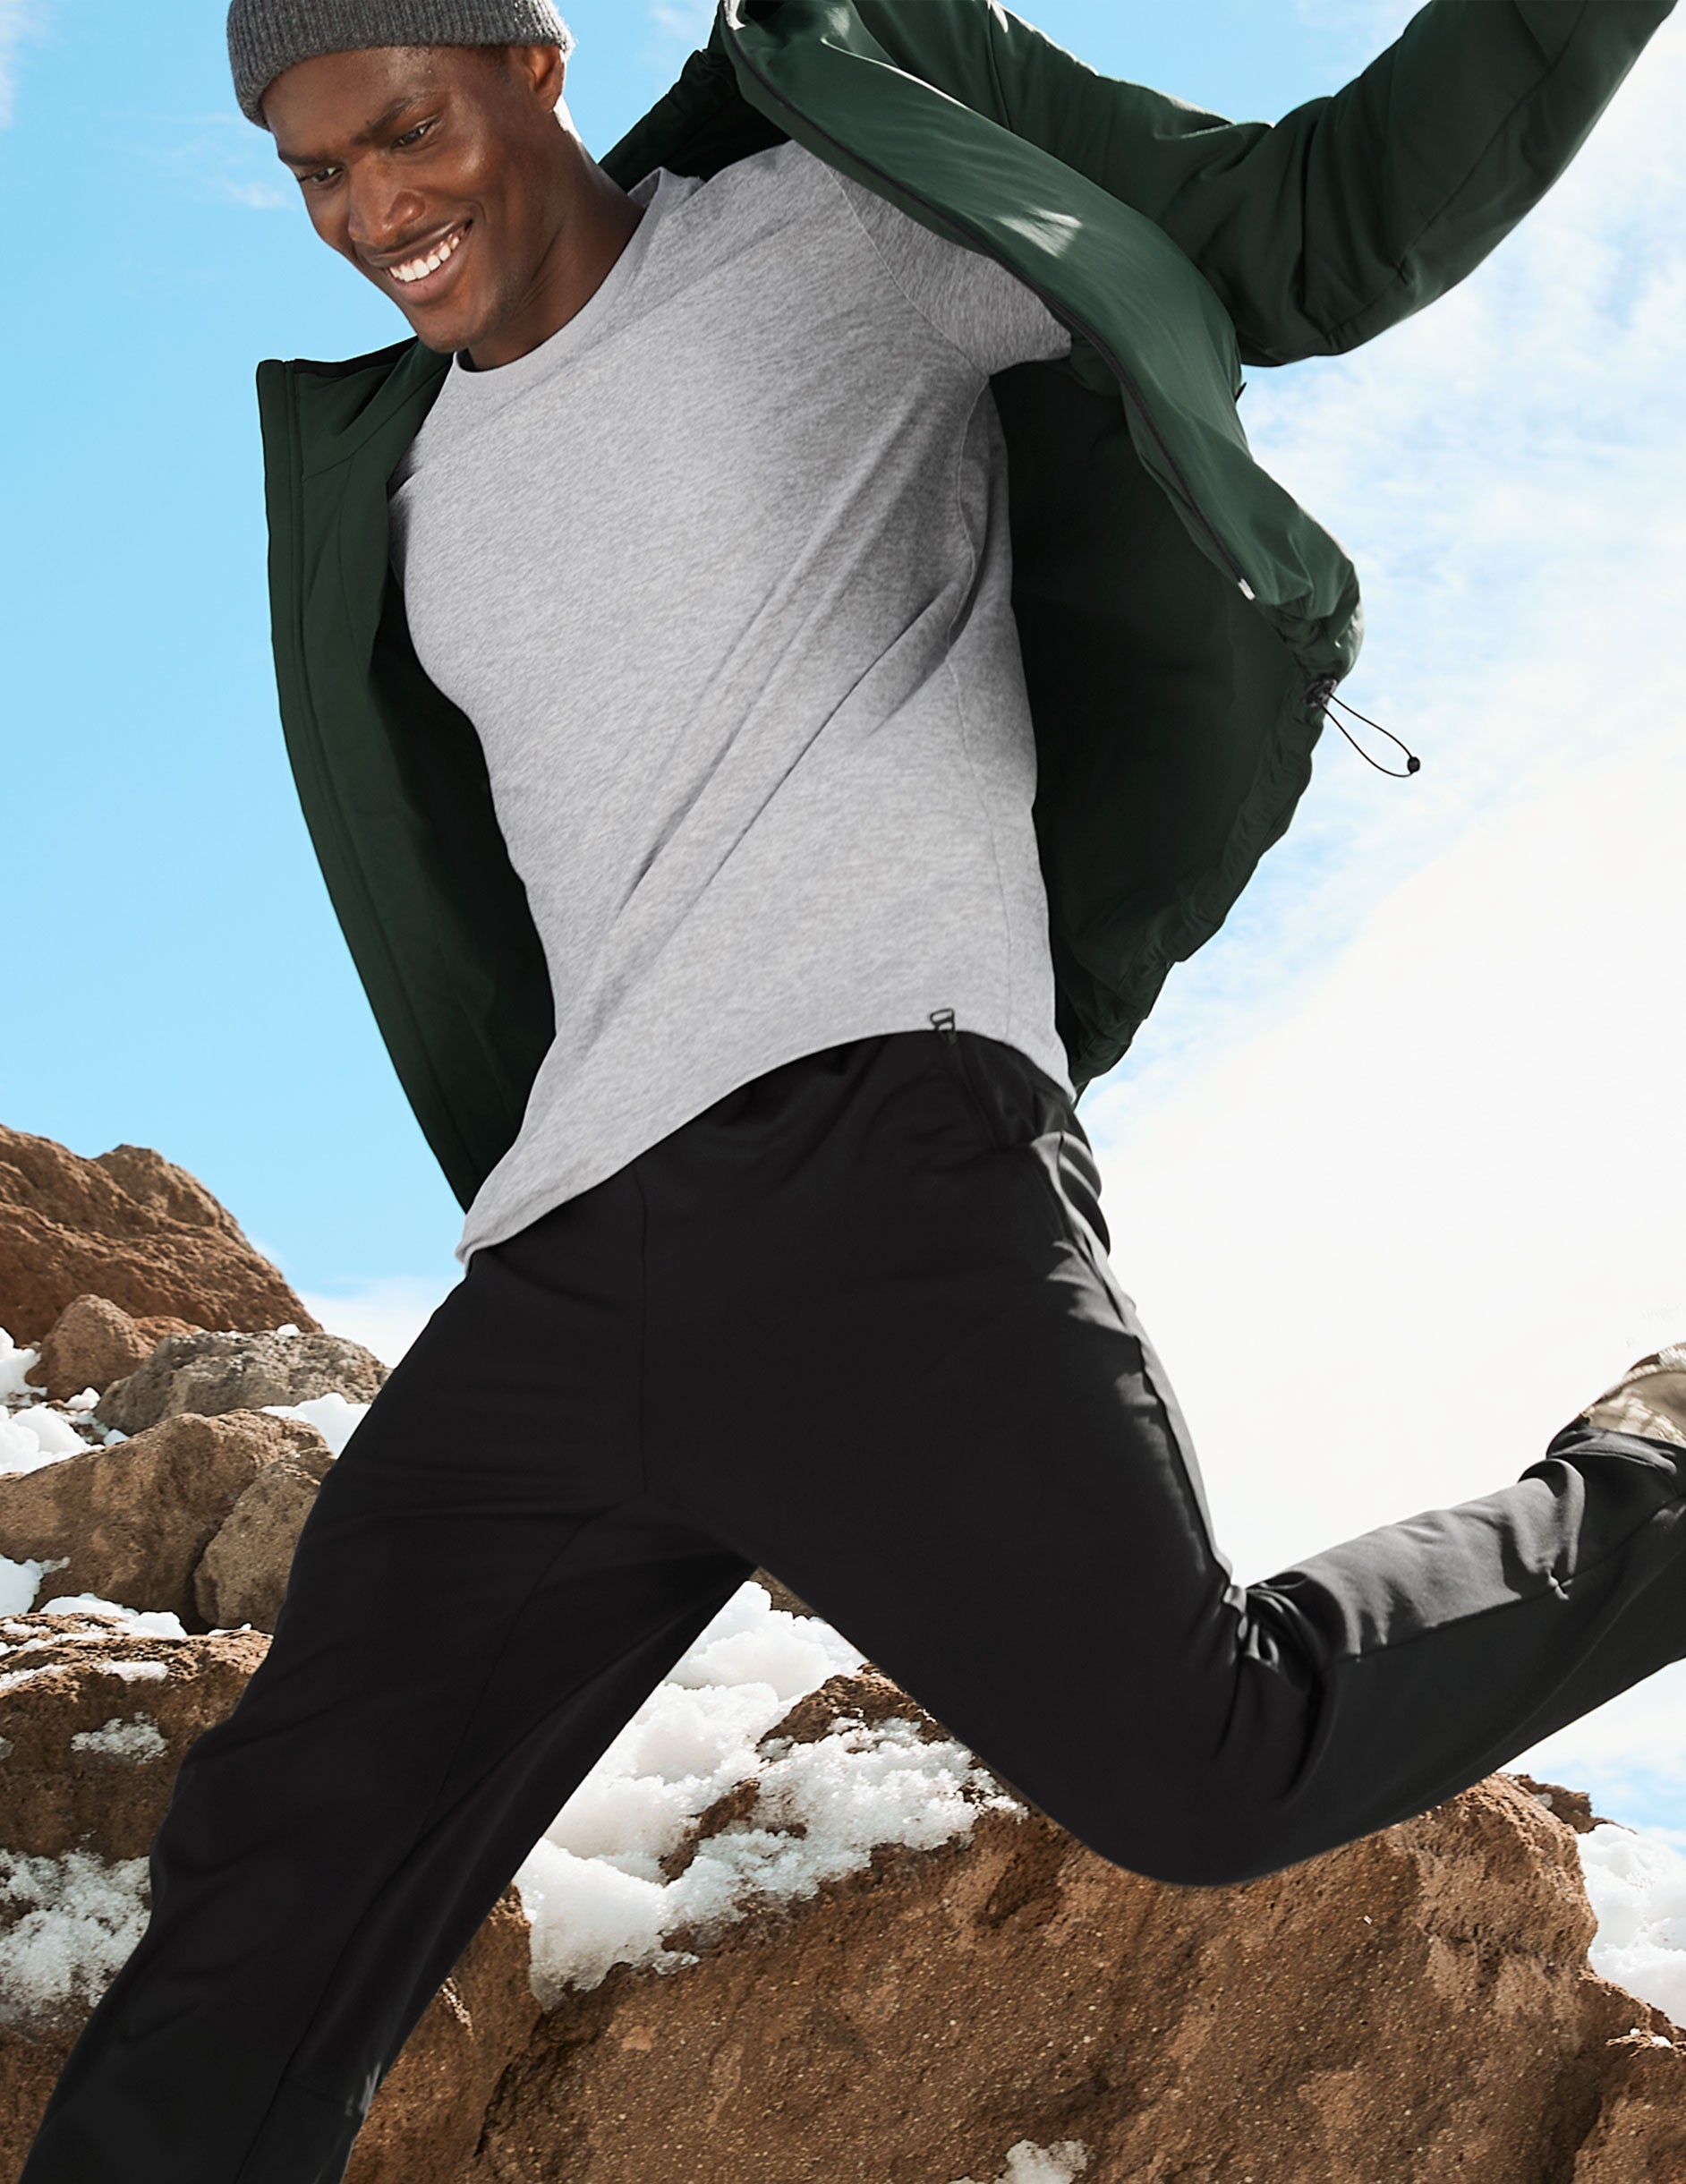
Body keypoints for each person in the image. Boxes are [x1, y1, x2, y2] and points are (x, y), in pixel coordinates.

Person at [19, 1, 1682, 2177]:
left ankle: (1654, 1484)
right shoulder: (397, 481)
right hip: (567, 1260)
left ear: (535, 67)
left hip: (879, 1173)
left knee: (1204, 1759)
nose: (371, 210)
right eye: (316, 170)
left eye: (404, 130)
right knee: (264, 1918)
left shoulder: (832, 231)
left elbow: (1319, 228)